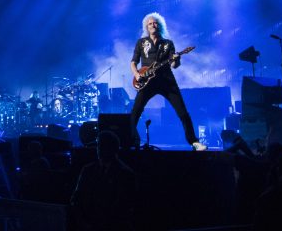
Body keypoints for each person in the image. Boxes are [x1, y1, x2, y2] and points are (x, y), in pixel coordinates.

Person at [130, 12, 206, 150]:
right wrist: (136, 74)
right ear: (146, 27)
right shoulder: (141, 43)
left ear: (159, 25)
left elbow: (174, 66)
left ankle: (194, 142)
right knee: (135, 112)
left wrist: (177, 59)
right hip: (146, 82)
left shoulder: (168, 43)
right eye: (150, 23)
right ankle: (128, 140)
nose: (153, 25)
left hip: (167, 81)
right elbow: (133, 62)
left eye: (155, 23)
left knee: (183, 112)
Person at [70, 130, 136, 231]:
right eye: (99, 146)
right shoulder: (88, 170)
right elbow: (76, 198)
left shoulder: (125, 174)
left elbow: (123, 207)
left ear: (113, 148)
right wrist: (81, 222)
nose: (99, 149)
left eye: (103, 146)